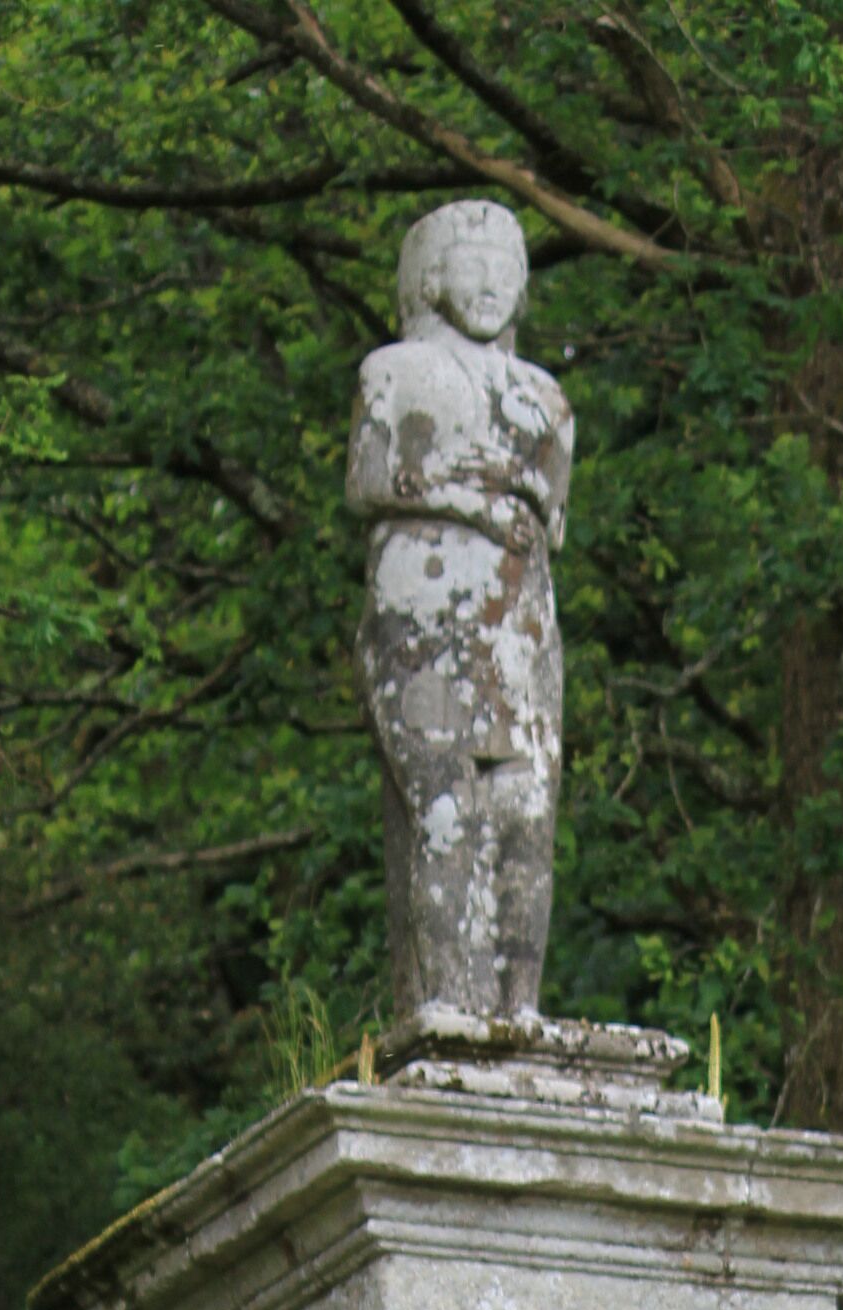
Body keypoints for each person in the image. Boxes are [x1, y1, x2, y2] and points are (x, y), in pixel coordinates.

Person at [348, 200, 574, 1026]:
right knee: (445, 810)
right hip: (423, 605)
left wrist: (515, 501)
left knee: (524, 816)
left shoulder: (545, 400)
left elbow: (554, 520)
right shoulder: (396, 372)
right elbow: (368, 481)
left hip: (519, 621)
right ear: (433, 274)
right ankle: (449, 1001)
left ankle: (519, 1008)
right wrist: (466, 496)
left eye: (507, 266)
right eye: (473, 262)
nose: (492, 283)